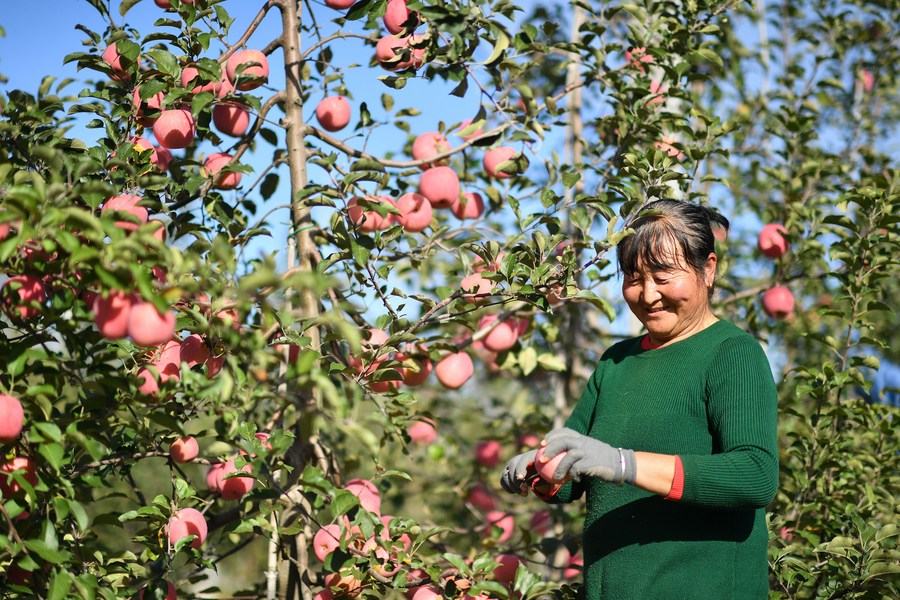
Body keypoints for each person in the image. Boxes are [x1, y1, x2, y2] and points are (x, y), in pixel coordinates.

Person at [500, 199, 779, 599]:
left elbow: (755, 475)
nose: (647, 295)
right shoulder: (616, 362)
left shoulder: (731, 353)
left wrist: (622, 464)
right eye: (633, 276)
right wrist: (538, 467)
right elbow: (569, 480)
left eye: (664, 275)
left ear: (708, 269)